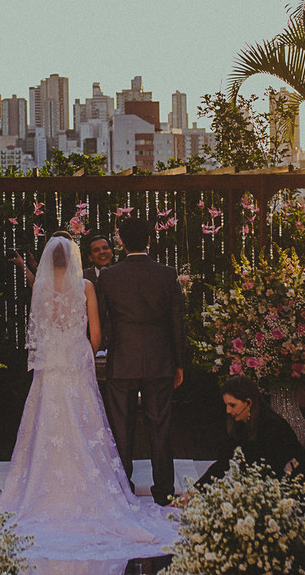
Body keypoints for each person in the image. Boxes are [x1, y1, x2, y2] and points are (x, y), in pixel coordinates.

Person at [0, 236, 177, 562]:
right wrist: (83, 355)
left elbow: (37, 334)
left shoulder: (41, 289)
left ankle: (43, 489)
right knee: (85, 423)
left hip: (50, 367)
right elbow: (95, 334)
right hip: (76, 363)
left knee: (48, 426)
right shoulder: (86, 287)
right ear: (76, 257)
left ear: (50, 261)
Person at [98, 216, 186, 506]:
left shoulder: (109, 276)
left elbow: (101, 320)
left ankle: (124, 489)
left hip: (122, 360)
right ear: (149, 239)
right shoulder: (167, 273)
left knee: (121, 428)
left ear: (121, 242)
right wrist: (179, 363)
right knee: (159, 425)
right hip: (160, 360)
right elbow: (177, 323)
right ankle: (164, 490)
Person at [187, 376, 305, 496]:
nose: (227, 410)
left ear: (248, 403)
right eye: (226, 405)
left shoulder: (273, 427)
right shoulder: (239, 424)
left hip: (292, 487)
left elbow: (273, 471)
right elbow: (222, 463)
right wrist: (194, 491)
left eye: (232, 405)